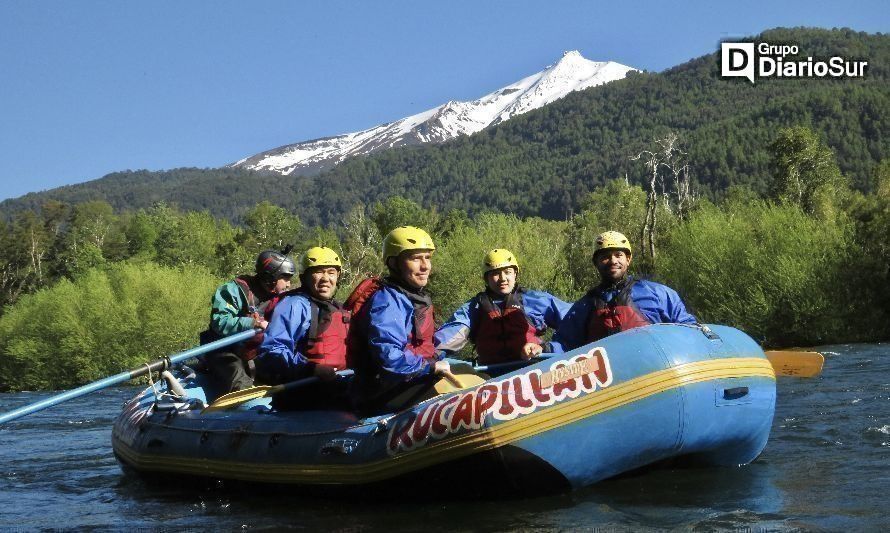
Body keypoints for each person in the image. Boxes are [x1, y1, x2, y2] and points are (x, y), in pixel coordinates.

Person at [349, 226, 452, 413]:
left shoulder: (412, 296)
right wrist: (429, 366)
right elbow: (390, 359)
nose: (425, 266)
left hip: (412, 381)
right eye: (415, 258)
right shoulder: (387, 301)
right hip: (386, 393)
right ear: (395, 263)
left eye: (427, 258)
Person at [550, 231, 697, 352]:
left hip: (654, 376)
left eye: (618, 255)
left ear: (628, 259)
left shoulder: (658, 293)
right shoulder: (584, 306)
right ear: (596, 263)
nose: (613, 261)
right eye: (605, 257)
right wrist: (541, 348)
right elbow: (563, 343)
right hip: (614, 383)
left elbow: (687, 329)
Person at [435, 248, 571, 365]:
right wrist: (430, 356)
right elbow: (448, 337)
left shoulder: (535, 300)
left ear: (515, 274)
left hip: (532, 367)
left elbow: (575, 324)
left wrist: (546, 348)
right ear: (486, 279)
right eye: (495, 273)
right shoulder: (474, 308)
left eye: (507, 272)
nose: (502, 278)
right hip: (491, 374)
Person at [255, 246, 351, 410]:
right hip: (304, 394)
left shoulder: (339, 308)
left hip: (339, 388)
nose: (325, 278)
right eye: (318, 272)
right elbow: (273, 350)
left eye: (331, 272)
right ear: (304, 277)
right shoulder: (295, 305)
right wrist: (311, 369)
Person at [202, 249, 295, 393]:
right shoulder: (233, 290)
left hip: (256, 351)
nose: (289, 284)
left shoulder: (279, 296)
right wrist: (253, 323)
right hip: (224, 350)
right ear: (270, 277)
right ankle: (241, 408)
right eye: (286, 279)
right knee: (241, 383)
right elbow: (219, 322)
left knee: (286, 375)